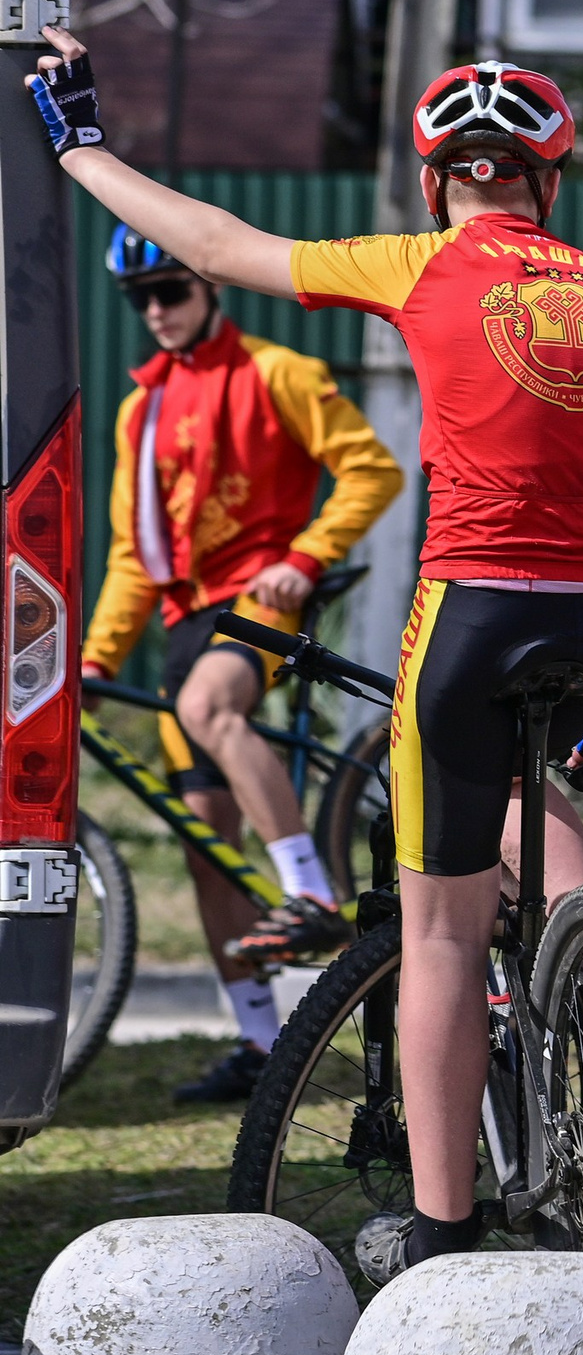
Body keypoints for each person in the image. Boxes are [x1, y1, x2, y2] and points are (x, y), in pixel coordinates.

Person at [29, 33, 583, 1279]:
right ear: (548, 182)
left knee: (440, 934)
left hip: (478, 611)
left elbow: (219, 244)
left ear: (437, 182)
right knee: (546, 801)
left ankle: (443, 1233)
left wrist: (83, 148)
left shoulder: (425, 263)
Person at [79, 227, 403, 1102]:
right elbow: (132, 555)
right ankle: (262, 1044)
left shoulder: (278, 371)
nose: (156, 311)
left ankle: (308, 888)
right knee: (204, 849)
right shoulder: (140, 408)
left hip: (261, 602)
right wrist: (98, 657)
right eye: (139, 298)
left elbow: (371, 470)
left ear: (209, 286)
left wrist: (306, 554)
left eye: (170, 291)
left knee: (206, 704)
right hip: (184, 619)